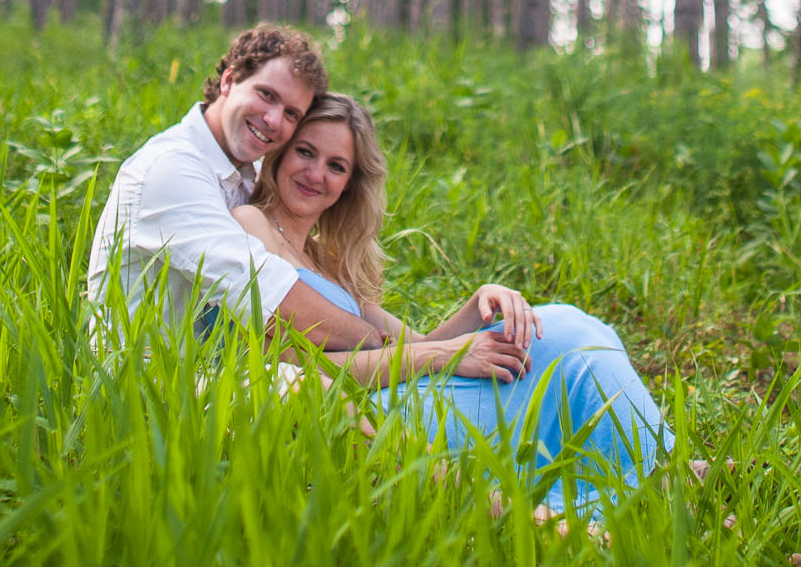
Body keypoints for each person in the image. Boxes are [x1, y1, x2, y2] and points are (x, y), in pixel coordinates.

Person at [232, 91, 677, 516]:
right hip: (365, 414)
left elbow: (417, 345)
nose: (316, 174)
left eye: (336, 165)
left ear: (350, 184)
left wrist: (480, 301)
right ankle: (659, 476)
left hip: (401, 393)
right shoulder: (253, 224)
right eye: (306, 152)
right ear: (280, 153)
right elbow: (284, 359)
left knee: (563, 330)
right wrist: (444, 355)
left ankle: (656, 466)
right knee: (566, 328)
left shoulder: (328, 261)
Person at [83, 23, 383, 352]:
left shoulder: (250, 173)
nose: (272, 120)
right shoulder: (172, 169)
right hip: (147, 383)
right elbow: (267, 297)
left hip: (219, 370)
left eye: (291, 113)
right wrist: (377, 343)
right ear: (229, 80)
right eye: (266, 95)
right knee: (331, 394)